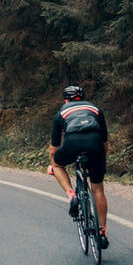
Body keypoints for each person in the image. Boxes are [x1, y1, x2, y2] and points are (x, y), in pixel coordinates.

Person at [48, 85, 110, 249]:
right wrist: (100, 159)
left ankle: (71, 195)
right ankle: (102, 231)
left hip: (72, 142)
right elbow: (105, 143)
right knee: (98, 189)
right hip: (96, 144)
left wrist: (52, 165)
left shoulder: (61, 113)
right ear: (82, 98)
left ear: (66, 100)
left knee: (56, 163)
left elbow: (54, 149)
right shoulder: (95, 109)